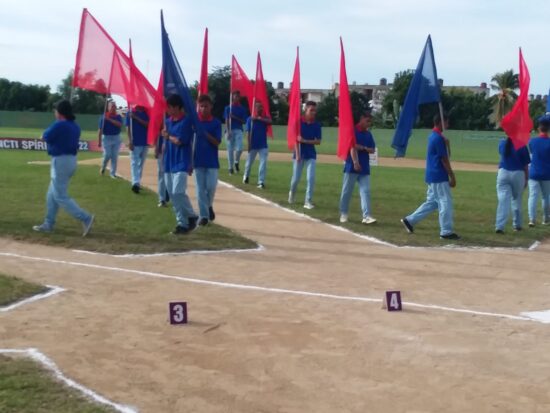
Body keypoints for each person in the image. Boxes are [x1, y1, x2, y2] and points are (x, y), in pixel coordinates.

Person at [33, 100, 94, 236]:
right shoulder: (75, 126)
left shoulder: (60, 124)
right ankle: (48, 223)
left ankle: (85, 217)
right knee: (51, 194)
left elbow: (45, 136)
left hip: (60, 161)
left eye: (56, 110)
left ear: (60, 112)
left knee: (60, 196)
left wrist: (44, 135)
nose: (55, 112)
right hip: (70, 160)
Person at [400, 113, 459, 240]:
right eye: (446, 122)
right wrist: (452, 176)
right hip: (439, 175)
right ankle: (446, 231)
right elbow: (445, 160)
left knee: (432, 203)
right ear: (440, 123)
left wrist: (447, 144)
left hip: (432, 175)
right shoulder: (438, 138)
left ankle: (410, 220)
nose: (448, 125)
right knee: (445, 202)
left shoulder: (435, 136)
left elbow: (446, 155)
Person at [162, 94, 198, 234]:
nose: (168, 110)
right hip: (169, 162)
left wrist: (167, 136)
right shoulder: (168, 122)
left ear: (177, 107)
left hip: (182, 162)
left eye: (170, 107)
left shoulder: (186, 121)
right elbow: (167, 141)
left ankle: (192, 215)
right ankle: (182, 224)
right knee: (172, 195)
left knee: (178, 192)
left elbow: (180, 141)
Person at [339, 112, 377, 224]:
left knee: (366, 191)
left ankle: (367, 216)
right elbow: (352, 146)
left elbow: (372, 149)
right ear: (361, 118)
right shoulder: (353, 131)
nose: (368, 123)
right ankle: (344, 213)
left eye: (370, 121)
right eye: (367, 121)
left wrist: (363, 148)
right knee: (347, 191)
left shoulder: (368, 134)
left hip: (365, 167)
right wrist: (355, 162)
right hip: (352, 165)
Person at [288, 101, 322, 209]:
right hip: (299, 154)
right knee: (295, 179)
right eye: (311, 110)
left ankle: (308, 201)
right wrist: (297, 154)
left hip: (311, 154)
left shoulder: (316, 125)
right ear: (305, 110)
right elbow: (296, 140)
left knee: (311, 178)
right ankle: (292, 194)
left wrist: (305, 141)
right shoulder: (298, 122)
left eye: (315, 110)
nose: (313, 112)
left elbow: (318, 141)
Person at [194, 95, 221, 226]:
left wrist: (204, 133)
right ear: (198, 107)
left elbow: (217, 142)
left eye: (206, 106)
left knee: (210, 187)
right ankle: (203, 216)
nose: (204, 109)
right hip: (197, 161)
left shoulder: (215, 123)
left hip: (212, 161)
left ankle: (208, 205)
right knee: (200, 189)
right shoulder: (194, 122)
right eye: (201, 106)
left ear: (211, 107)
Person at [495, 137, 530, 233]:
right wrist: (526, 178)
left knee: (503, 201)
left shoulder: (502, 143)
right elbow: (525, 165)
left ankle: (499, 226)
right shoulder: (522, 144)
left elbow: (502, 155)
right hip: (518, 174)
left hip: (503, 172)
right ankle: (517, 225)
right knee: (516, 199)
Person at [527, 115, 550, 227]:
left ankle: (532, 219)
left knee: (533, 196)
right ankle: (546, 219)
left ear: (539, 128)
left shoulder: (533, 141)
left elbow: (532, 154)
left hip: (534, 173)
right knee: (546, 197)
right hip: (547, 173)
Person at [243, 100, 271, 188]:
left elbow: (270, 121)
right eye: (258, 107)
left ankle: (261, 181)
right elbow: (248, 132)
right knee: (249, 163)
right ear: (254, 108)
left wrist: (260, 118)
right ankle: (246, 176)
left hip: (263, 145)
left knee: (263, 163)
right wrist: (249, 144)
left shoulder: (264, 119)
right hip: (253, 144)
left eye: (261, 107)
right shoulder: (250, 120)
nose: (260, 109)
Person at [126, 105, 150, 193]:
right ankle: (135, 183)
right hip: (135, 142)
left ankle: (137, 182)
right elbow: (127, 128)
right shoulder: (130, 112)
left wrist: (135, 118)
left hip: (144, 142)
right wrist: (130, 141)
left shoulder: (146, 113)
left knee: (141, 164)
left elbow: (148, 125)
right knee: (134, 163)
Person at [223, 91, 248, 174]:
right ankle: (230, 168)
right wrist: (228, 130)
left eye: (238, 96)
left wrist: (234, 117)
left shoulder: (242, 109)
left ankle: (236, 161)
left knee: (240, 148)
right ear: (232, 97)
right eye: (235, 96)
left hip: (238, 130)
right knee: (230, 150)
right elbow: (226, 120)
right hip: (229, 130)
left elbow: (244, 121)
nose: (236, 98)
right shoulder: (228, 108)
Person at [98, 101, 123, 178]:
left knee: (114, 156)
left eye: (114, 106)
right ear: (108, 107)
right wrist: (99, 141)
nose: (113, 108)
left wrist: (109, 119)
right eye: (112, 106)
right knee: (107, 155)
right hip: (106, 138)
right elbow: (100, 130)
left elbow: (119, 125)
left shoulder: (118, 116)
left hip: (116, 138)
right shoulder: (103, 117)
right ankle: (103, 166)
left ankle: (113, 173)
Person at [155, 129, 169, 207]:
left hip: (172, 153)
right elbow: (158, 135)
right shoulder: (163, 122)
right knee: (161, 176)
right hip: (162, 153)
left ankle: (167, 192)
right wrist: (157, 149)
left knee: (170, 176)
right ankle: (162, 199)